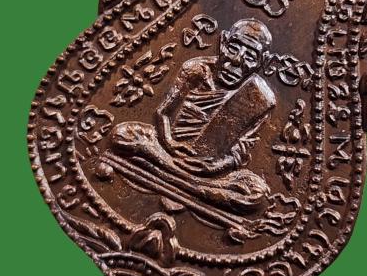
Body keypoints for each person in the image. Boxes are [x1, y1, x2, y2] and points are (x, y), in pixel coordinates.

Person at [111, 19, 276, 212]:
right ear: (223, 42)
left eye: (250, 56)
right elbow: (163, 112)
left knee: (256, 193)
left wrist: (212, 168)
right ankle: (192, 188)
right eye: (233, 48)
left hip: (206, 170)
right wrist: (169, 143)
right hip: (165, 149)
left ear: (263, 62)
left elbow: (240, 152)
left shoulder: (260, 98)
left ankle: (172, 178)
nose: (237, 60)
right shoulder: (196, 69)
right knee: (122, 134)